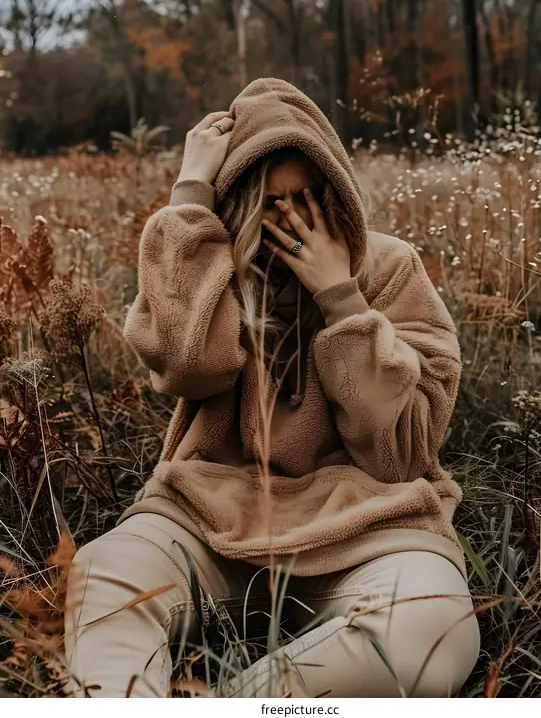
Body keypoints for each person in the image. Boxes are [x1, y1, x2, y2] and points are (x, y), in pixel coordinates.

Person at [64, 78, 480, 698]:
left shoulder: (390, 269)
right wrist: (191, 196)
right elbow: (187, 366)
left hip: (368, 527)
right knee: (103, 575)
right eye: (268, 201)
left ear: (337, 195)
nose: (289, 220)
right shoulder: (211, 263)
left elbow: (401, 452)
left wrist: (342, 300)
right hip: (207, 517)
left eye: (308, 198)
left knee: (434, 626)